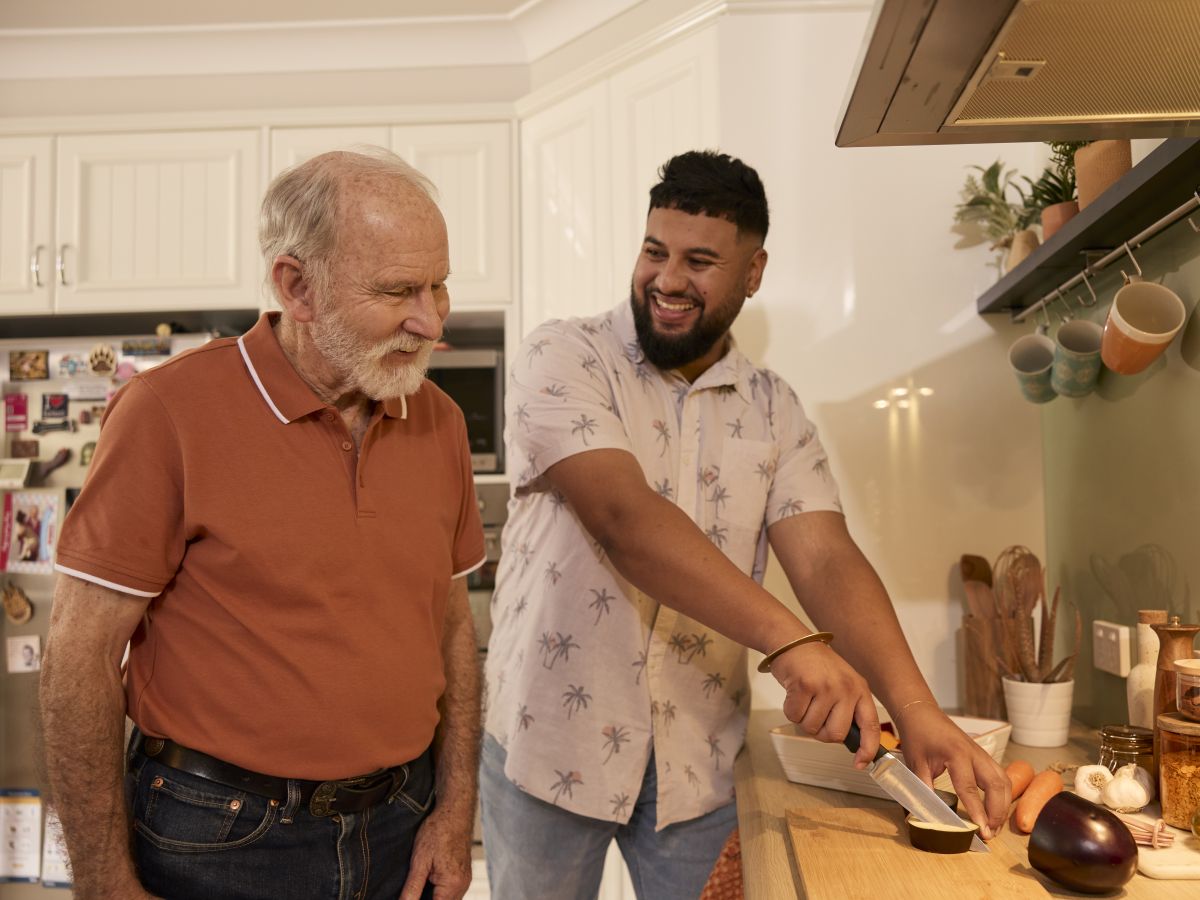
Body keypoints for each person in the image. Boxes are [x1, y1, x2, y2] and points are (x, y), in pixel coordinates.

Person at [480, 150, 1010, 899]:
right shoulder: (565, 356)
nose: (667, 280)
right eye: (654, 251)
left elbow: (824, 558)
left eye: (700, 262)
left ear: (754, 273)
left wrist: (916, 712)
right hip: (548, 744)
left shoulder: (775, 406)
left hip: (698, 761)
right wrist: (792, 641)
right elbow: (625, 519)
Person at [40, 149, 486, 900]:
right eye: (398, 290)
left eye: (439, 285)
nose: (431, 320)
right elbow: (77, 661)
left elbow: (451, 629)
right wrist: (104, 884)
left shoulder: (437, 419)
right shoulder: (168, 414)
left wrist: (455, 809)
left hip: (399, 826)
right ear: (296, 285)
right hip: (220, 836)